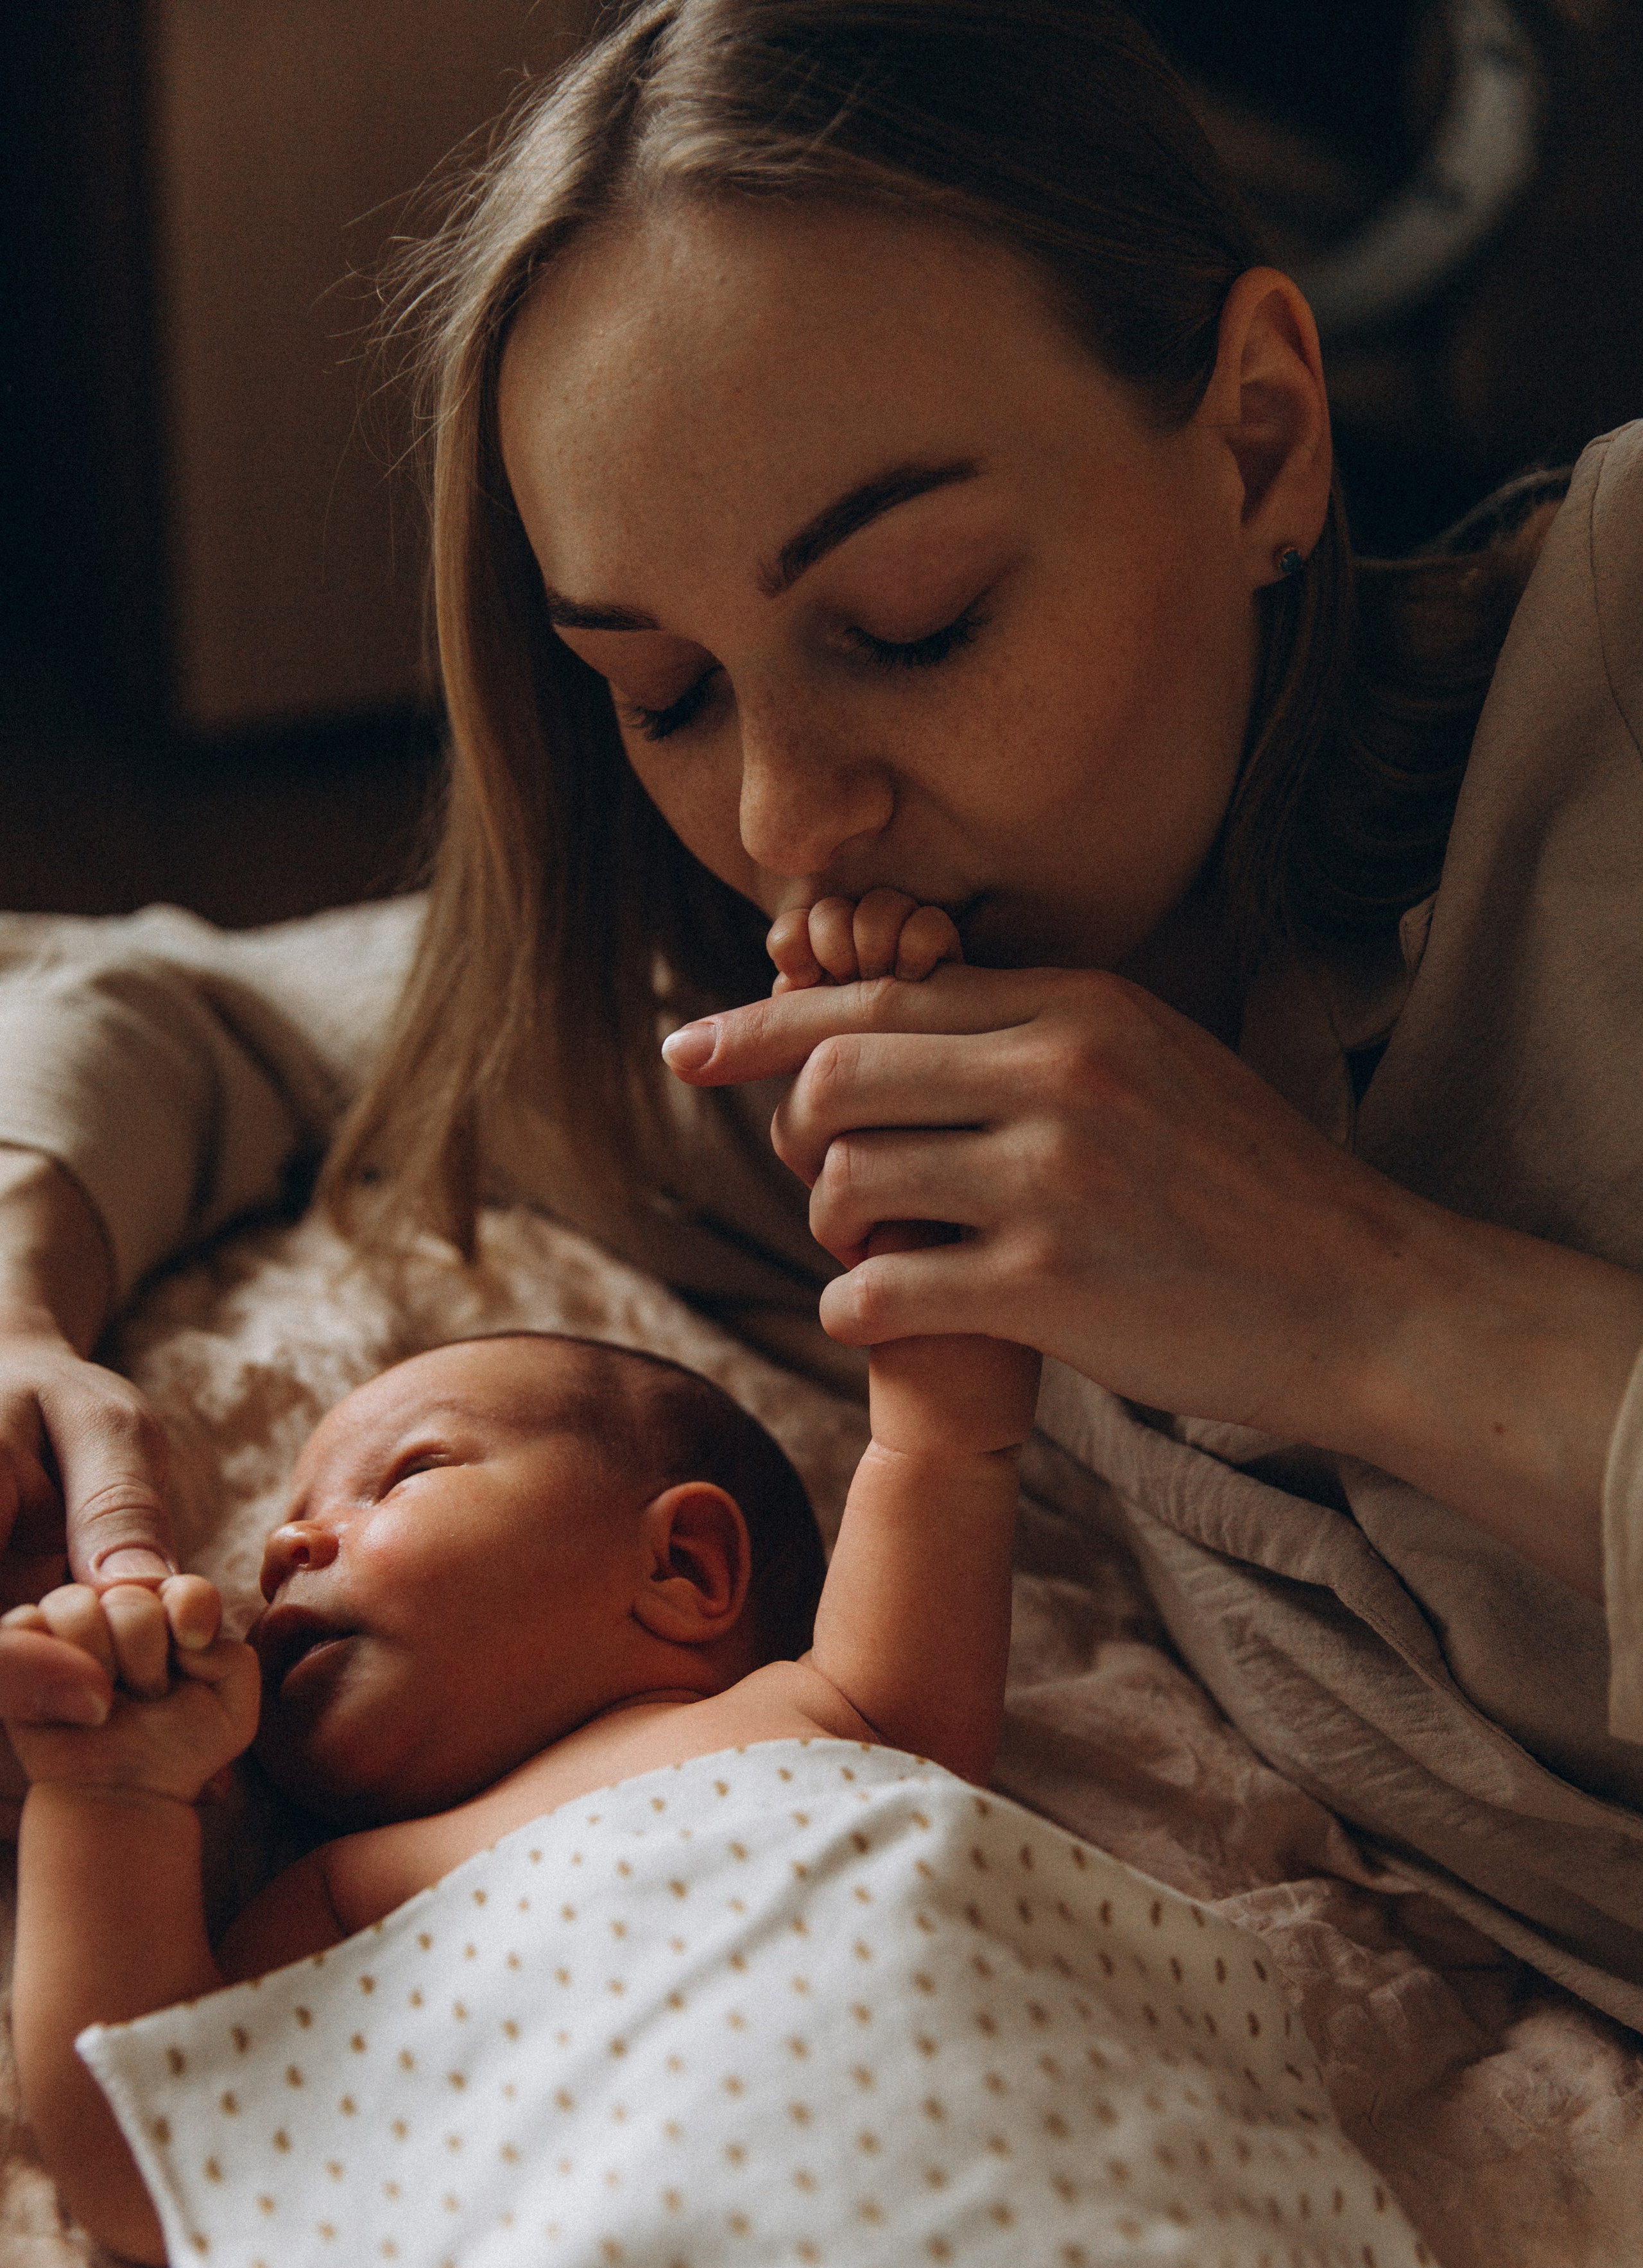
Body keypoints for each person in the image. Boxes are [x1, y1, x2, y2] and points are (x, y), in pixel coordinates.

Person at [2, 0, 1642, 2023]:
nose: (781, 819)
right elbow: (196, 1009)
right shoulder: (806, 1061)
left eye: (914, 621)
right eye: (664, 692)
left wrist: (1365, 1299)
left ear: (1261, 439)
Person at [4, 901, 1040, 2267]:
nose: (284, 1550)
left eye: (397, 1479)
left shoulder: (840, 1710)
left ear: (683, 1567)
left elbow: (941, 1434)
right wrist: (114, 1797)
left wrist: (897, 1099)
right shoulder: (344, 1902)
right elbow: (152, 2154)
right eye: (283, 1536)